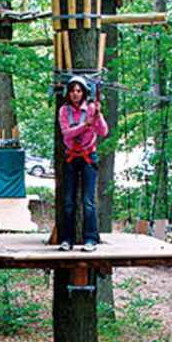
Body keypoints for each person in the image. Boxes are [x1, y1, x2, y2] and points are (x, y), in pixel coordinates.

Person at [58, 75, 108, 252]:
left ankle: (91, 238)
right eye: (72, 91)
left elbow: (103, 132)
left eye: (79, 91)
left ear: (84, 93)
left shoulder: (92, 109)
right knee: (69, 201)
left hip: (88, 156)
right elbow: (67, 134)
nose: (75, 94)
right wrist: (85, 125)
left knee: (88, 200)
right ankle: (67, 239)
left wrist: (98, 117)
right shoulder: (64, 111)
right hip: (71, 156)